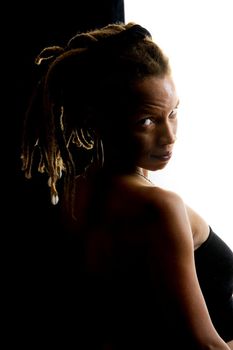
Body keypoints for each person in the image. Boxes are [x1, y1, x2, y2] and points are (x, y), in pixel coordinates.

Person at [20, 22, 233, 349]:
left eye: (173, 113)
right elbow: (205, 346)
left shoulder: (75, 194)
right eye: (146, 121)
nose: (169, 136)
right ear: (100, 120)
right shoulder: (159, 207)